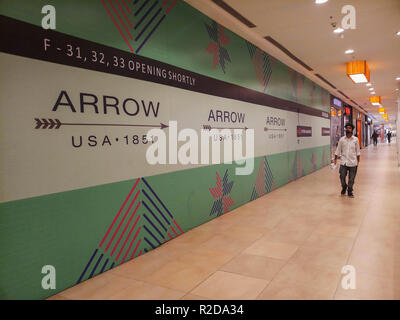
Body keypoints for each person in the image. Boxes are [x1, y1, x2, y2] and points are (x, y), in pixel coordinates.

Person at [334, 123, 360, 198]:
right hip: (343, 162)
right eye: (347, 128)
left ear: (352, 130)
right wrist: (335, 159)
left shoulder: (355, 140)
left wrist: (358, 162)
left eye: (349, 128)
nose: (348, 129)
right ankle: (344, 187)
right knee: (342, 177)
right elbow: (338, 150)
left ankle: (350, 191)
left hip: (353, 162)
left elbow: (357, 151)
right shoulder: (342, 139)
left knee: (351, 179)